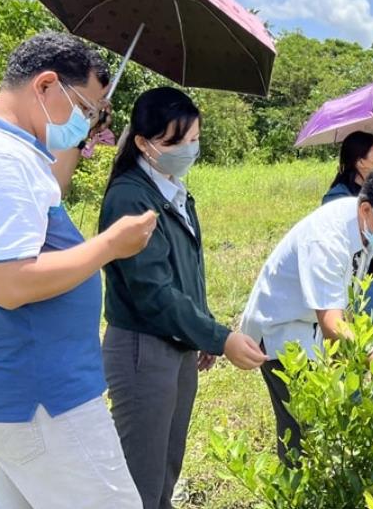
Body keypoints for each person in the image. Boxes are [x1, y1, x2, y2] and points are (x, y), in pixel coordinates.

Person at [0, 32, 156, 508]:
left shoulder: (14, 152)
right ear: (45, 86)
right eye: (85, 106)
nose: (88, 119)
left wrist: (81, 128)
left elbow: (48, 192)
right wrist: (108, 245)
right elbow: (9, 283)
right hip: (44, 397)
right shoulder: (3, 161)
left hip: (19, 392)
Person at [99, 87, 267, 508]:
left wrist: (200, 330)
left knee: (167, 467)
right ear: (143, 143)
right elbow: (152, 292)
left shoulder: (173, 190)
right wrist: (218, 336)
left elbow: (188, 272)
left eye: (194, 139)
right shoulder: (130, 197)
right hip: (143, 348)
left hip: (175, 344)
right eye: (177, 142)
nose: (189, 149)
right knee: (142, 475)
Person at [240, 159, 373, 461]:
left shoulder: (365, 228)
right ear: (367, 209)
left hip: (310, 331)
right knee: (305, 437)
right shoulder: (327, 238)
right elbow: (332, 325)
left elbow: (345, 302)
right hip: (283, 336)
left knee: (320, 429)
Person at [323, 131, 373, 354]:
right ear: (361, 162)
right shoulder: (339, 197)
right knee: (358, 355)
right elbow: (339, 240)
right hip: (364, 286)